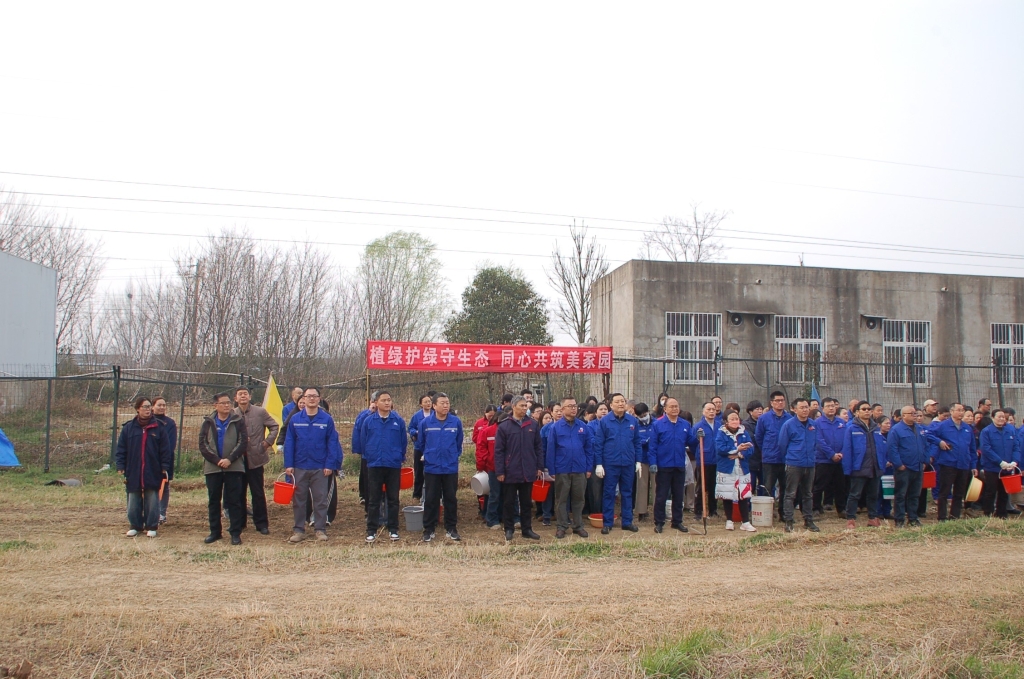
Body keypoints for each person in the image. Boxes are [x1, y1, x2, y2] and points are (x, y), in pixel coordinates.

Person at [284, 387, 343, 543]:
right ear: (303, 399)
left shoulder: (326, 419)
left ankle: (320, 529)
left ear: (319, 399)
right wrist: (289, 465)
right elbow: (289, 443)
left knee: (320, 499)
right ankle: (298, 530)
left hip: (320, 467)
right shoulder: (295, 419)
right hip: (299, 466)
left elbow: (332, 443)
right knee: (299, 500)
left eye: (314, 396)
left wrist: (330, 465)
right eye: (308, 396)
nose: (311, 399)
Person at [116, 396, 174, 538]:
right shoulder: (128, 428)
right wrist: (120, 464)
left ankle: (151, 525)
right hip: (133, 469)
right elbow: (121, 448)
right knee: (133, 498)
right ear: (137, 409)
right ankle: (135, 525)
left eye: (149, 407)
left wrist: (164, 466)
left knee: (152, 498)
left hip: (153, 468)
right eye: (145, 407)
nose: (148, 410)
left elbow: (165, 449)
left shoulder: (159, 427)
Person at [198, 392, 249, 545]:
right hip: (213, 468)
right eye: (223, 403)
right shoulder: (208, 422)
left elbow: (243, 442)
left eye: (228, 403)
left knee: (234, 501)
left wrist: (229, 459)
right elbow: (203, 444)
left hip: (233, 467)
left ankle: (235, 532)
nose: (227, 405)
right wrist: (217, 460)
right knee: (214, 501)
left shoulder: (238, 420)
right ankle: (215, 532)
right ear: (216, 405)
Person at [357, 391, 408, 542]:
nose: (387, 403)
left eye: (389, 400)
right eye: (383, 400)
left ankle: (393, 529)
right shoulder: (369, 421)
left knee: (393, 498)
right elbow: (363, 441)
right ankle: (371, 529)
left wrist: (398, 456)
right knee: (373, 499)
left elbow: (403, 442)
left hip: (392, 464)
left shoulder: (398, 421)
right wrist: (370, 456)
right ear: (376, 403)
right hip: (374, 464)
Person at [495, 395, 545, 541]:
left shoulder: (532, 425)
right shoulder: (504, 426)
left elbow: (538, 447)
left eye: (526, 406)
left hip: (528, 470)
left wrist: (539, 466)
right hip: (510, 470)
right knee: (509, 502)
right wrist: (500, 471)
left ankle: (527, 529)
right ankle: (509, 529)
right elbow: (498, 451)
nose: (525, 408)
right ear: (514, 406)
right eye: (522, 406)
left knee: (526, 502)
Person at [593, 393, 642, 534]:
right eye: (618, 402)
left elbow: (637, 442)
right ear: (611, 405)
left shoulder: (632, 421)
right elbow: (598, 444)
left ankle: (627, 521)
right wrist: (599, 464)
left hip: (628, 463)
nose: (621, 404)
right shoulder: (605, 421)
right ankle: (607, 522)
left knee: (627, 493)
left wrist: (638, 461)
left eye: (623, 401)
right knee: (609, 493)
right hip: (610, 463)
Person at [233, 386, 279, 536]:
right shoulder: (232, 414)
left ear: (250, 397)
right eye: (240, 394)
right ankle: (240, 523)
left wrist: (266, 443)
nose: (243, 396)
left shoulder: (260, 412)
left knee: (257, 493)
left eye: (245, 394)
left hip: (256, 458)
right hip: (238, 460)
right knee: (239, 493)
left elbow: (274, 426)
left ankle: (261, 524)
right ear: (236, 399)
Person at [419, 393, 464, 542]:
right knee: (431, 499)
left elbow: (458, 443)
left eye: (447, 403)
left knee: (450, 498)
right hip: (432, 468)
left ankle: (451, 528)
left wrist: (452, 456)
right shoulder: (426, 423)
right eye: (443, 403)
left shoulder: (455, 422)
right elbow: (420, 444)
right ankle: (429, 529)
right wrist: (430, 455)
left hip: (450, 468)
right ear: (434, 406)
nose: (446, 406)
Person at [546, 397, 592, 539]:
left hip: (580, 469)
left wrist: (588, 468)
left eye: (575, 405)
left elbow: (589, 448)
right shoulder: (555, 428)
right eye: (570, 406)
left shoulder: (583, 426)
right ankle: (561, 526)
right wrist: (552, 470)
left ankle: (578, 526)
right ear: (563, 409)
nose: (573, 408)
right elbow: (550, 450)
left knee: (579, 499)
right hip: (562, 469)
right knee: (561, 499)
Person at [927, 403, 977, 521]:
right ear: (952, 411)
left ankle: (954, 516)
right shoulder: (943, 425)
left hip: (963, 463)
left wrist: (973, 465)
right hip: (948, 463)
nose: (961, 412)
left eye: (962, 410)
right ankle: (942, 517)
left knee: (959, 492)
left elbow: (972, 449)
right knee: (944, 491)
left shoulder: (967, 428)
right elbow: (928, 434)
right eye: (958, 410)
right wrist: (939, 442)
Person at [648, 397, 690, 533]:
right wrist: (653, 462)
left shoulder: (685, 424)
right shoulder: (657, 424)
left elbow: (691, 441)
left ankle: (677, 521)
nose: (674, 409)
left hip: (679, 465)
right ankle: (659, 522)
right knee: (661, 495)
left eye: (676, 406)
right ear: (665, 409)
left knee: (678, 495)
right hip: (663, 465)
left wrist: (699, 436)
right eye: (671, 406)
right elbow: (652, 446)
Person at [778, 398, 819, 533]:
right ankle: (788, 521)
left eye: (807, 407)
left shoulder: (813, 424)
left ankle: (808, 520)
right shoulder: (788, 425)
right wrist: (792, 457)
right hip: (794, 463)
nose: (805, 410)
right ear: (794, 409)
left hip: (810, 463)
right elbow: (782, 445)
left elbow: (815, 443)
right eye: (802, 407)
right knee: (790, 494)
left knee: (808, 493)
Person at [842, 401, 883, 529]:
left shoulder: (876, 428)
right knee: (855, 494)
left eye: (868, 409)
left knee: (873, 494)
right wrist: (848, 468)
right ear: (857, 412)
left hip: (874, 467)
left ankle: (872, 517)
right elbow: (847, 449)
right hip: (858, 467)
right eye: (863, 409)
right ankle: (851, 519)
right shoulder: (851, 428)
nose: (867, 411)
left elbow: (881, 447)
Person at [714, 410, 756, 532]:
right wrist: (736, 448)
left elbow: (750, 449)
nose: (734, 421)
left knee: (743, 495)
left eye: (736, 419)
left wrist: (739, 454)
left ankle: (745, 521)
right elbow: (720, 449)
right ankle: (729, 520)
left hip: (742, 468)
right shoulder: (721, 433)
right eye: (732, 419)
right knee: (727, 495)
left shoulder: (744, 433)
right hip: (727, 468)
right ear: (726, 421)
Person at [887, 405, 928, 527]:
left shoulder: (920, 429)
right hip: (904, 468)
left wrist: (925, 461)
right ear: (903, 416)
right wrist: (899, 464)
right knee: (900, 494)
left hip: (918, 466)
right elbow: (892, 448)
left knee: (915, 495)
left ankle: (913, 518)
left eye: (915, 413)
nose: (915, 416)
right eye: (912, 413)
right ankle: (899, 519)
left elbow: (925, 445)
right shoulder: (896, 430)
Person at [755, 391, 792, 522]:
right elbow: (758, 437)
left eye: (782, 400)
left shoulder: (789, 418)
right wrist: (766, 449)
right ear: (771, 403)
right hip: (769, 458)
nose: (780, 403)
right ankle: (768, 514)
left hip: (786, 459)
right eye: (777, 400)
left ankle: (784, 513)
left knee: (785, 487)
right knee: (768, 487)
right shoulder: (764, 418)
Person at [979, 409, 1020, 518]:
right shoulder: (986, 431)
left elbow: (1016, 447)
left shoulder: (1010, 431)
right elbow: (986, 449)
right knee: (991, 491)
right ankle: (988, 513)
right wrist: (1000, 462)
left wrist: (1014, 461)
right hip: (992, 467)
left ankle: (1002, 514)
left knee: (1004, 492)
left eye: (1003, 417)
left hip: (1008, 468)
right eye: (999, 417)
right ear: (993, 418)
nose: (1002, 419)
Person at [812, 397, 846, 517]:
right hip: (823, 460)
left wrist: (841, 453)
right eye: (828, 406)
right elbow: (819, 441)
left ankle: (841, 509)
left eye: (833, 406)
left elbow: (846, 440)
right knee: (819, 485)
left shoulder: (841, 422)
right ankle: (816, 507)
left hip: (839, 460)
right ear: (823, 408)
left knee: (840, 486)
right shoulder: (817, 423)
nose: (831, 408)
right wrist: (831, 454)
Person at [690, 402, 720, 520]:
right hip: (704, 460)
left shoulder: (719, 425)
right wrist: (698, 452)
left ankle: (713, 510)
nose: (712, 412)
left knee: (714, 487)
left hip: (717, 460)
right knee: (702, 486)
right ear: (703, 412)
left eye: (713, 409)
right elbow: (692, 443)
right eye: (709, 409)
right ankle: (698, 511)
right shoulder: (698, 426)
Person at [152, 396, 177, 525]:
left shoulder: (170, 423)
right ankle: (149, 512)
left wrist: (162, 459)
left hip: (165, 460)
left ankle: (162, 513)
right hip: (149, 461)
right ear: (152, 406)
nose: (162, 407)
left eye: (164, 405)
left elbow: (170, 444)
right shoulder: (147, 421)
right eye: (159, 405)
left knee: (164, 486)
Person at [352, 392, 379, 509]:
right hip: (367, 453)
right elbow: (358, 432)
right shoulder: (364, 415)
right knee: (366, 476)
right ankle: (365, 497)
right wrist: (359, 449)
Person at [408, 394, 434, 502]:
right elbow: (410, 428)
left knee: (432, 472)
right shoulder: (417, 416)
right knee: (419, 471)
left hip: (432, 447)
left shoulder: (435, 414)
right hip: (419, 447)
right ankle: (417, 495)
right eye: (425, 402)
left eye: (429, 401)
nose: (428, 403)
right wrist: (416, 432)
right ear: (420, 404)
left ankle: (431, 494)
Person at [633, 403, 655, 520]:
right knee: (642, 485)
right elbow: (635, 440)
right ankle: (641, 511)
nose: (643, 417)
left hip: (655, 459)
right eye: (640, 416)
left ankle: (658, 511)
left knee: (656, 485)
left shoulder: (656, 423)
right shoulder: (635, 424)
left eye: (645, 414)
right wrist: (644, 441)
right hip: (641, 458)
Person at [742, 400, 764, 491]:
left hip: (764, 460)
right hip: (751, 461)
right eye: (757, 409)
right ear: (750, 412)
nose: (760, 411)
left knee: (764, 487)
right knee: (751, 487)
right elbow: (752, 439)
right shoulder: (746, 424)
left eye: (761, 409)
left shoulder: (764, 422)